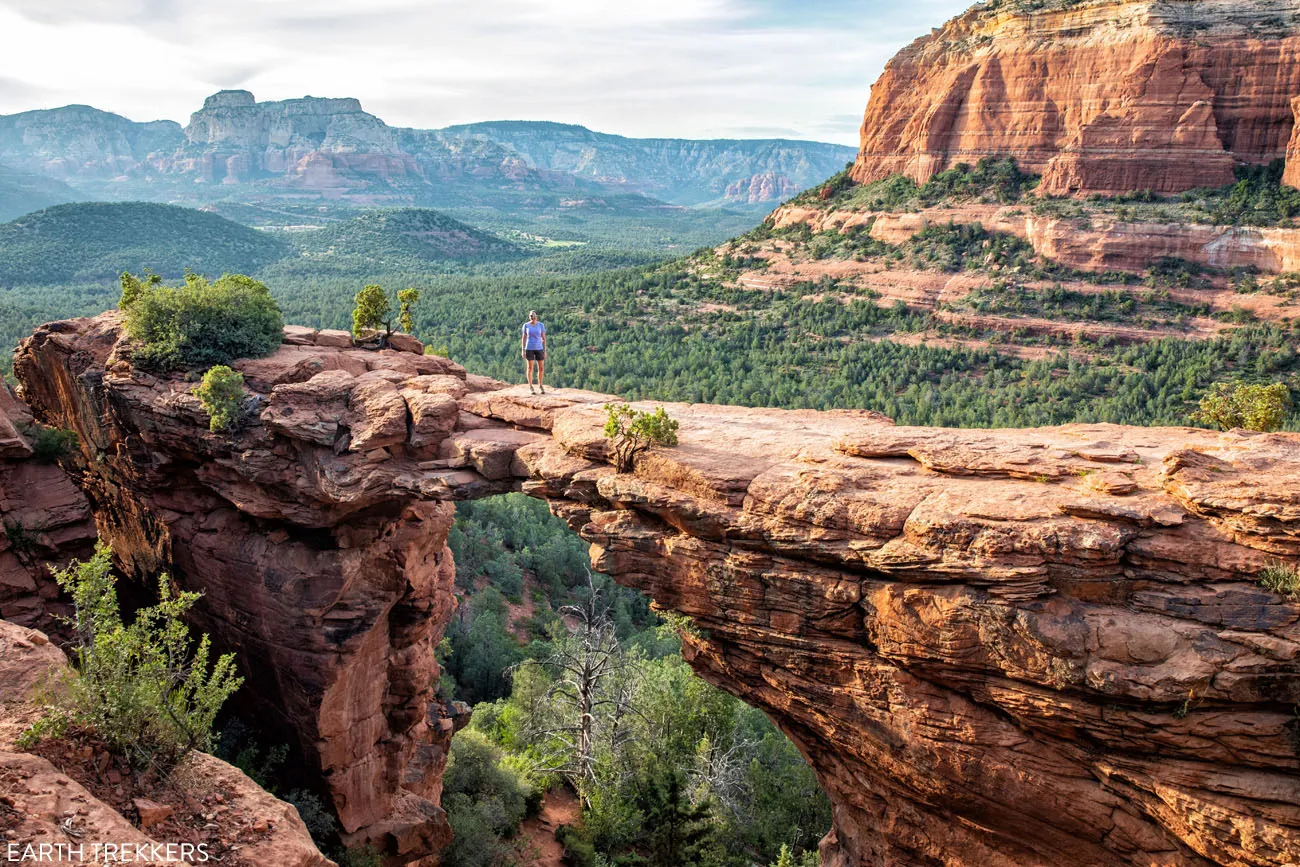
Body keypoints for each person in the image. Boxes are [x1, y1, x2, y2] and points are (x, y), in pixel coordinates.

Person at [521, 310, 547, 394]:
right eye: (531, 315)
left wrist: (544, 350)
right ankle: (531, 386)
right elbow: (524, 338)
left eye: (533, 315)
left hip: (539, 348)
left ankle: (540, 385)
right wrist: (523, 349)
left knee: (541, 368)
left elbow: (544, 338)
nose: (532, 316)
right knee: (530, 368)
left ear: (536, 316)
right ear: (529, 316)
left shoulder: (541, 325)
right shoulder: (526, 325)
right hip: (529, 348)